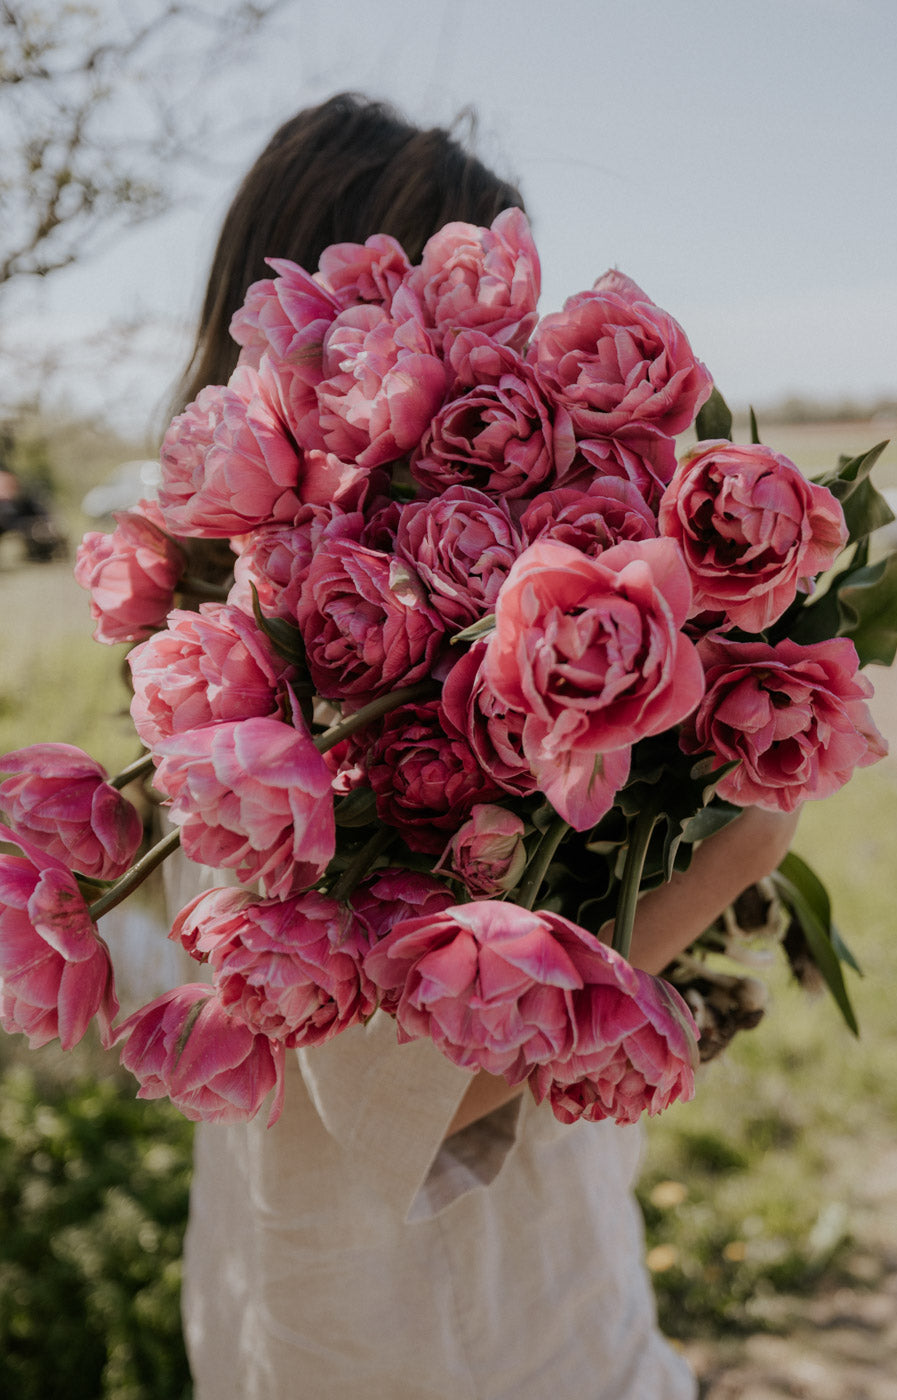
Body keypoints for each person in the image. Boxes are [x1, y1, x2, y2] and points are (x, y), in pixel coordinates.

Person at [164, 92, 799, 1399]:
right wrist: (727, 866)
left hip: (428, 1313)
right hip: (445, 1347)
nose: (503, 356)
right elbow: (396, 1106)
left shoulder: (253, 636)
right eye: (467, 321)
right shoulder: (271, 674)